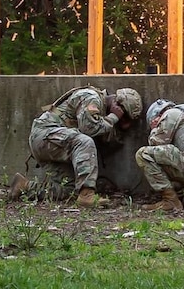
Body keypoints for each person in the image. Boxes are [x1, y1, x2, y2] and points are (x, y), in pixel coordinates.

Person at [9, 86, 143, 208]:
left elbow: (105, 141)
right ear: (116, 103)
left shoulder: (101, 113)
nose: (121, 120)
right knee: (84, 141)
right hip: (46, 135)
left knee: (70, 190)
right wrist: (114, 117)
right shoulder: (91, 97)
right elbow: (89, 129)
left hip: (56, 143)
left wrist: (121, 127)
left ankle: (24, 186)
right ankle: (87, 195)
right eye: (123, 116)